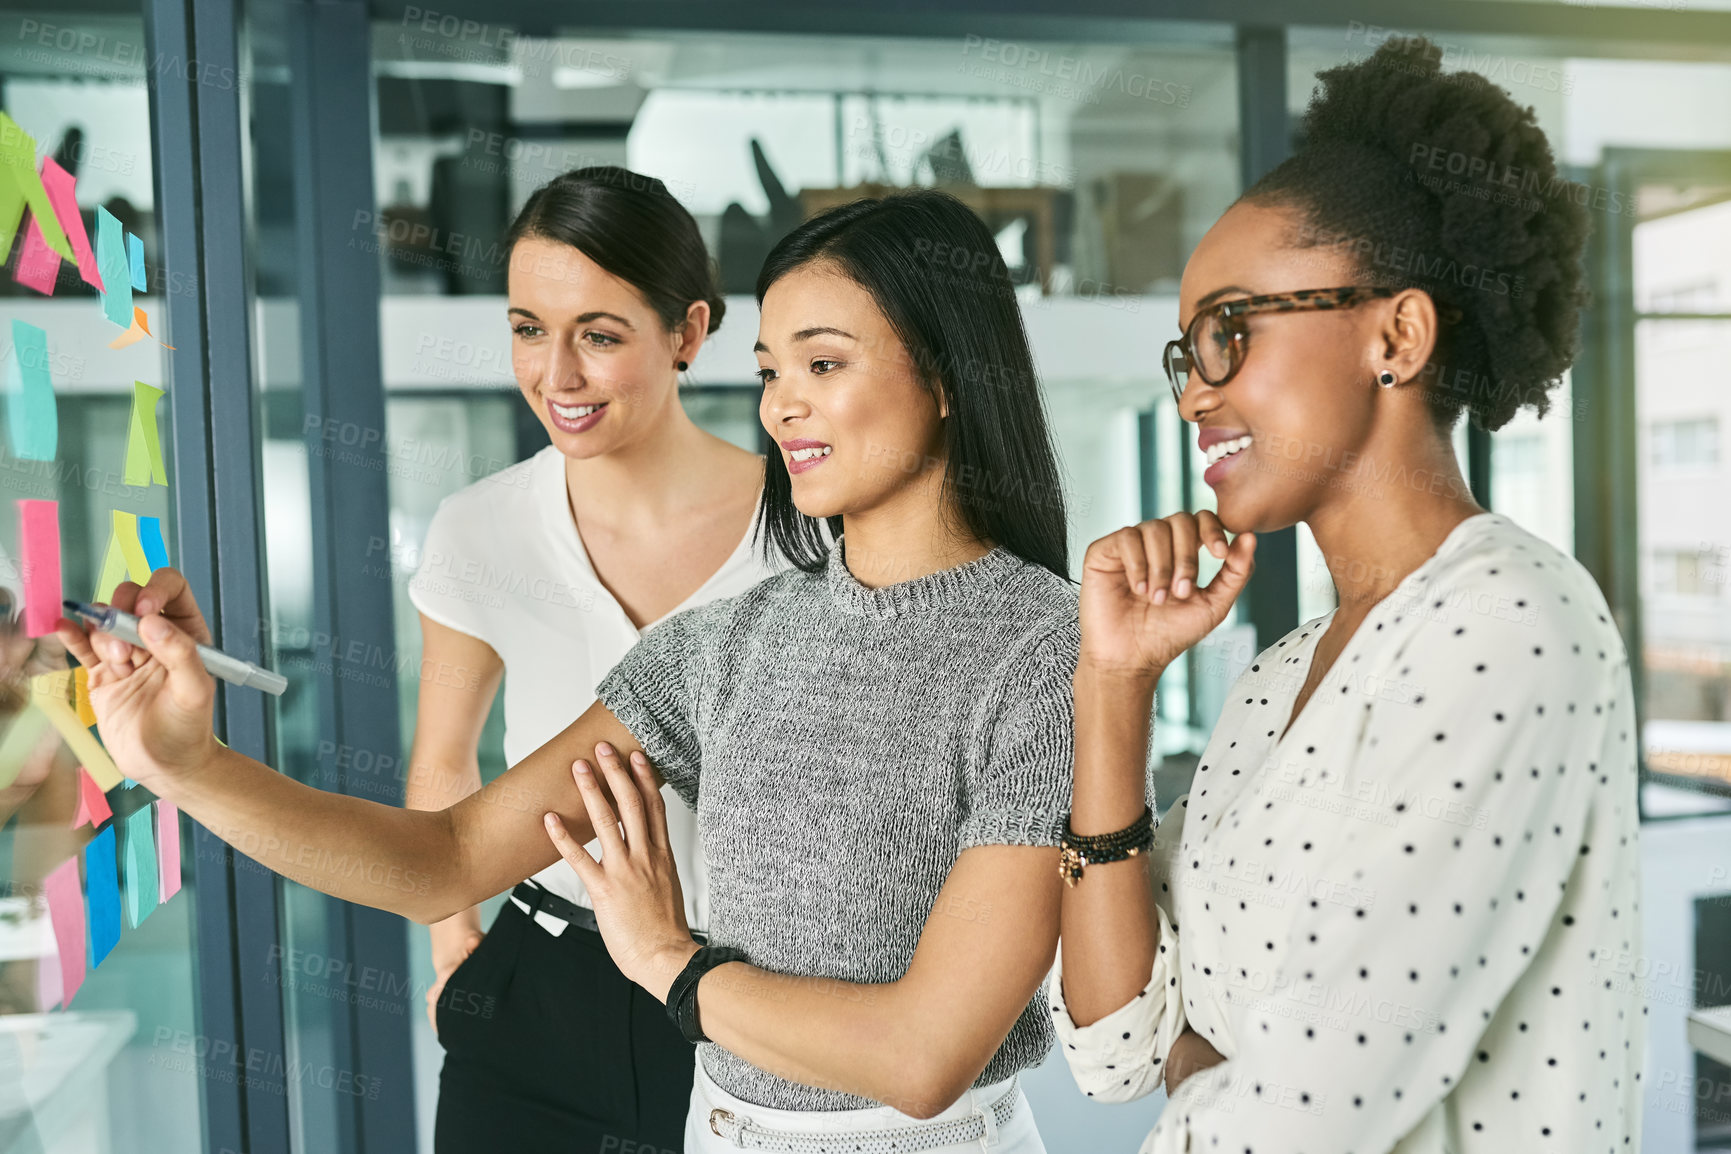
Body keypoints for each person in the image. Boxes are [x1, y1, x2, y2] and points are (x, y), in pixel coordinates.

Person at [57, 189, 1079, 1152]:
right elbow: (448, 853)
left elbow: (923, 1055)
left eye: (822, 365)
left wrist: (667, 962)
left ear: (947, 377)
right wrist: (188, 766)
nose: (782, 409)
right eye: (770, 371)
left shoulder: (1045, 650)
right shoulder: (722, 643)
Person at [1049, 35, 1643, 1153]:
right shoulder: (1280, 677)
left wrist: (1220, 1072)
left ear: (1396, 334)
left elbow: (1305, 1114)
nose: (1196, 397)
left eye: (1232, 331)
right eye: (1189, 356)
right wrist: (1114, 682)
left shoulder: (1510, 622)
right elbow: (1115, 1044)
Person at [401, 166, 782, 1152]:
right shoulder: (478, 527)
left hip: (759, 986)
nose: (555, 374)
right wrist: (457, 959)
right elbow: (445, 760)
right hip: (539, 988)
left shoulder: (807, 528)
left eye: (599, 334)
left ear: (689, 332)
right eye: (530, 327)